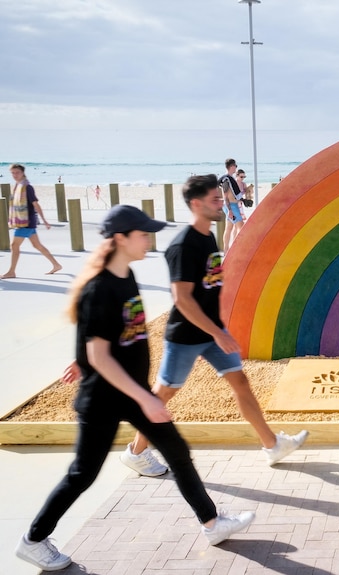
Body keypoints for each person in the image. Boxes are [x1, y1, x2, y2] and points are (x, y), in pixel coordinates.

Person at [15, 206, 254, 572]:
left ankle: (211, 523)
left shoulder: (125, 277)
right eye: (142, 234)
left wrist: (87, 359)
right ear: (121, 239)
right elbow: (100, 353)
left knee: (177, 451)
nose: (148, 239)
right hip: (103, 401)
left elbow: (112, 335)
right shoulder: (99, 288)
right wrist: (141, 394)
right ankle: (33, 539)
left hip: (130, 393)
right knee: (83, 474)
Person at [121, 174, 308, 477]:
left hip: (211, 332)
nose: (221, 203)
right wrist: (216, 332)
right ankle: (136, 452)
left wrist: (219, 327)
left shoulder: (207, 237)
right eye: (214, 199)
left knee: (240, 383)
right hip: (186, 335)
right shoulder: (183, 245)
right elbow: (182, 299)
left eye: (220, 198)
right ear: (196, 204)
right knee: (163, 395)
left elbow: (209, 286)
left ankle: (272, 444)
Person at [1, 163, 62, 279]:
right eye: (12, 173)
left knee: (14, 245)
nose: (15, 175)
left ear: (23, 173)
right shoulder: (19, 186)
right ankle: (56, 265)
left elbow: (35, 204)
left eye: (17, 172)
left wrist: (44, 220)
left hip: (26, 222)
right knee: (37, 245)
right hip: (25, 221)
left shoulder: (27, 187)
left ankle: (11, 272)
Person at [219, 158, 244, 252]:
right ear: (232, 166)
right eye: (235, 166)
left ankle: (226, 251)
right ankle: (237, 250)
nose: (236, 168)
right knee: (241, 228)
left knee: (229, 228)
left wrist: (241, 201)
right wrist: (229, 210)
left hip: (231, 205)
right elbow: (225, 196)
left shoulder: (229, 179)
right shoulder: (226, 180)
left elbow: (232, 195)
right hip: (231, 207)